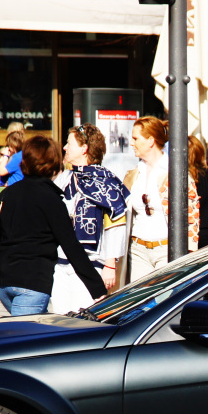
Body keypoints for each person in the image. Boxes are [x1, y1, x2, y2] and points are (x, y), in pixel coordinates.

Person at [0, 136, 105, 315]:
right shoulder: (51, 198)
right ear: (53, 164)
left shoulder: (9, 192)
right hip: (32, 282)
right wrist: (98, 289)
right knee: (26, 340)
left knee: (32, 335)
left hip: (4, 281)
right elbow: (71, 246)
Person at [55, 123, 129, 303]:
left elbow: (116, 223)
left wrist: (110, 265)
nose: (64, 147)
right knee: (59, 319)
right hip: (61, 262)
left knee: (83, 321)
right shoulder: (64, 178)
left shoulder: (107, 183)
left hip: (91, 265)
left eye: (69, 144)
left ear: (84, 148)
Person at [125, 117, 199, 282]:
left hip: (167, 250)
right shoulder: (134, 174)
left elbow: (192, 216)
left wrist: (190, 254)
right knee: (139, 305)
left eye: (136, 138)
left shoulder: (175, 172)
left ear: (151, 140)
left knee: (165, 302)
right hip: (137, 251)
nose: (131, 143)